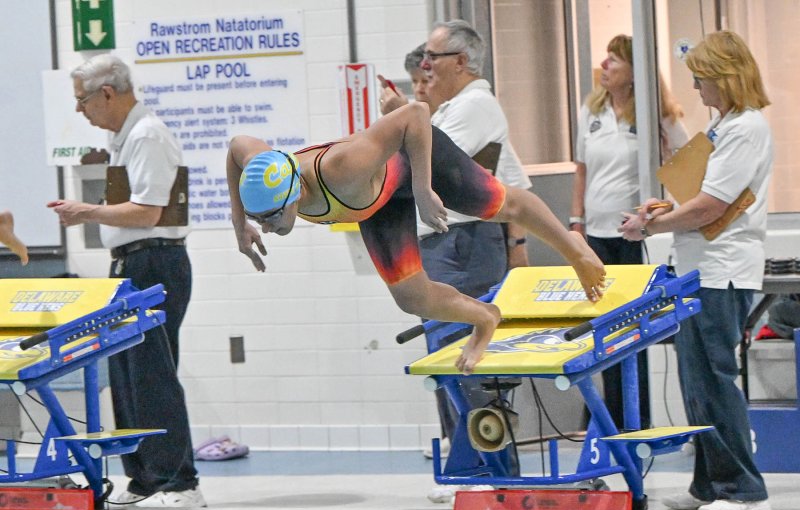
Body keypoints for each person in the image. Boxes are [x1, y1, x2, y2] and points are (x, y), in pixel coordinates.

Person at [228, 104, 606, 379]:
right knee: (411, 297)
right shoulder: (264, 167)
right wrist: (238, 220)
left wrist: (424, 189)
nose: (269, 227)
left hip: (416, 162)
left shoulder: (344, 166)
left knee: (503, 206)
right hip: (376, 204)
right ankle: (485, 317)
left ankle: (573, 247)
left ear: (295, 192)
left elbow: (415, 114)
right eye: (261, 218)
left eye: (273, 216)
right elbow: (235, 146)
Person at [619, 30, 771, 510]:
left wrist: (651, 228)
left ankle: (744, 491)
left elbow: (711, 207)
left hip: (721, 271)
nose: (697, 89)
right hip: (696, 269)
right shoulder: (721, 126)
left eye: (701, 79)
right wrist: (659, 208)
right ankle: (707, 485)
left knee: (715, 380)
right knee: (697, 384)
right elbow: (696, 193)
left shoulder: (747, 127)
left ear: (724, 78)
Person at [47, 54, 204, 508]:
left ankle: (180, 482)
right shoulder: (124, 137)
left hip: (155, 262)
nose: (81, 110)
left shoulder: (147, 135)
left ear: (108, 93)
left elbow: (149, 212)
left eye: (82, 101)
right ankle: (146, 477)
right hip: (132, 262)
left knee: (153, 374)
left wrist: (87, 211)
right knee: (128, 375)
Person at [379, 23, 531, 472]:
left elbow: (426, 170)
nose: (423, 67)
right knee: (447, 355)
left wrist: (398, 119)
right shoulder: (448, 110)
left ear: (461, 63)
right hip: (446, 244)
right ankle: (471, 464)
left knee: (467, 355)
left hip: (462, 245)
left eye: (432, 58)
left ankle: (491, 468)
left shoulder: (475, 106)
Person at [570, 34, 688, 431]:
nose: (604, 67)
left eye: (613, 62)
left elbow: (686, 166)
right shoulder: (592, 111)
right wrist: (576, 223)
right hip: (596, 235)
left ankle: (635, 418)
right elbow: (582, 170)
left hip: (635, 236)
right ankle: (604, 417)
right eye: (605, 60)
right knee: (601, 327)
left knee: (632, 330)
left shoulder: (657, 114)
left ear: (636, 72)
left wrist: (660, 207)